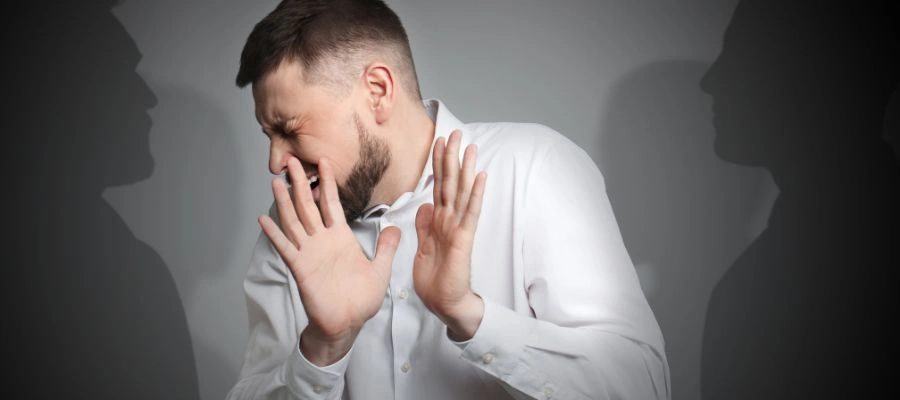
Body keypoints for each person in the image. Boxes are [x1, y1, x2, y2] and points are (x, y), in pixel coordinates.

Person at [226, 1, 669, 399]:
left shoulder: (532, 168)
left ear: (377, 90)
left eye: (288, 128)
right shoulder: (293, 228)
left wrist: (470, 315)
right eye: (268, 136)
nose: (275, 161)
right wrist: (324, 346)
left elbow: (643, 386)